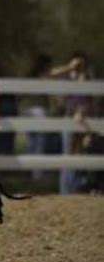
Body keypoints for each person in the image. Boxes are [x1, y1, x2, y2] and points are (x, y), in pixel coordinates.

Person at [49, 52, 95, 194]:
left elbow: (92, 101)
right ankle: (66, 190)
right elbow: (51, 74)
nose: (79, 67)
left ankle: (76, 189)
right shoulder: (68, 77)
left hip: (84, 119)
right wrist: (69, 68)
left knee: (80, 154)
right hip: (70, 117)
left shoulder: (88, 79)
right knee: (68, 152)